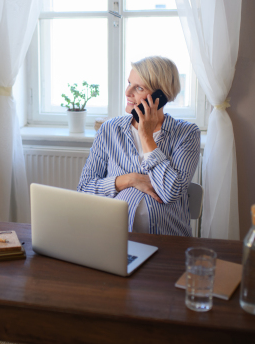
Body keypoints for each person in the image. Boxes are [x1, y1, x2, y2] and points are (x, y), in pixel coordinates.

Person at [77, 56, 200, 236]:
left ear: (161, 97)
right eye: (129, 83)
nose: (127, 92)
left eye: (139, 88)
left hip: (169, 241)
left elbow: (171, 192)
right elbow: (84, 189)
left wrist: (146, 136)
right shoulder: (110, 130)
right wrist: (129, 180)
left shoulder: (186, 133)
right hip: (115, 239)